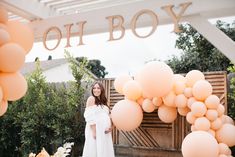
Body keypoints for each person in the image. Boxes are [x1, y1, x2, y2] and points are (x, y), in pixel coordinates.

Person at [82, 81, 115, 157]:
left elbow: (109, 115)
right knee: (94, 149)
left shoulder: (104, 101)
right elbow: (88, 116)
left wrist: (111, 127)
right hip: (95, 129)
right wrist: (94, 131)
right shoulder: (91, 99)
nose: (96, 90)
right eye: (94, 88)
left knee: (104, 149)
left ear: (102, 90)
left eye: (98, 88)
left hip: (105, 132)